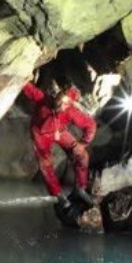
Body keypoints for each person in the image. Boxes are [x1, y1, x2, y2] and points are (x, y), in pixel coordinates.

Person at [23, 81, 97, 209]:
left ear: (70, 104)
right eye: (60, 100)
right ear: (56, 96)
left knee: (83, 156)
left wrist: (83, 144)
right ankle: (58, 194)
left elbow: (91, 125)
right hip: (40, 134)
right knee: (45, 164)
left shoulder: (71, 112)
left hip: (60, 131)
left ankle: (80, 188)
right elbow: (26, 86)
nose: (61, 104)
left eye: (65, 103)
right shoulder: (43, 99)